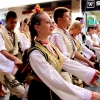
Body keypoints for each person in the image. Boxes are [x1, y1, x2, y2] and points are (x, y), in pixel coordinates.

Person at [27, 5, 100, 100]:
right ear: (37, 27)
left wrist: (89, 72)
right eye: (48, 22)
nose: (52, 25)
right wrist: (87, 95)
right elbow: (52, 78)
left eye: (51, 22)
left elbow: (64, 60)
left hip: (53, 87)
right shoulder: (35, 52)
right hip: (42, 92)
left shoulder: (49, 45)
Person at [50, 7, 94, 86]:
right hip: (62, 71)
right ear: (59, 20)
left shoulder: (65, 33)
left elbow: (74, 52)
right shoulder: (57, 35)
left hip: (69, 69)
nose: (70, 18)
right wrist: (85, 71)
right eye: (67, 16)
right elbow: (63, 59)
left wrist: (88, 62)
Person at [0, 11, 25, 100]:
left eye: (15, 22)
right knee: (20, 91)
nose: (14, 25)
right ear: (6, 21)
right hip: (3, 65)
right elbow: (1, 50)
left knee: (16, 92)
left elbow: (23, 46)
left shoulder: (17, 31)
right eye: (11, 22)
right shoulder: (0, 32)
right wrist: (15, 59)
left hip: (14, 64)